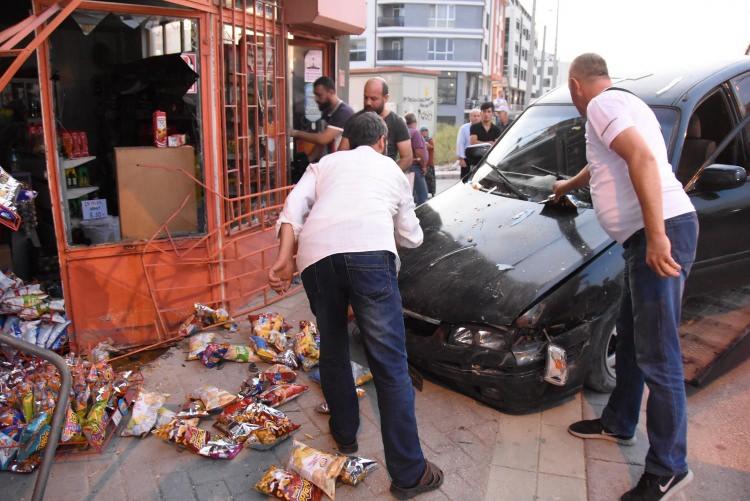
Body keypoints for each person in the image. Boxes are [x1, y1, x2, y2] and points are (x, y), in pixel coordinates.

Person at [267, 111, 443, 500]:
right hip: (369, 257)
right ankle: (409, 474)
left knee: (332, 347)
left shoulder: (324, 164)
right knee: (390, 364)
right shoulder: (391, 169)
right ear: (382, 141)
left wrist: (283, 258)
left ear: (345, 141)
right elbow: (411, 237)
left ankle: (345, 437)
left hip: (316, 257)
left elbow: (291, 211)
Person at [554, 53, 697, 501]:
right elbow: (608, 164)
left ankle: (670, 467)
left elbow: (640, 160)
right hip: (652, 234)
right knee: (634, 340)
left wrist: (656, 236)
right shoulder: (627, 104)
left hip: (660, 232)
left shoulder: (599, 106)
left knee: (659, 354)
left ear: (577, 85)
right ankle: (618, 422)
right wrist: (567, 186)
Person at [339, 77, 413, 171]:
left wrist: (389, 175)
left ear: (385, 98)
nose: (368, 102)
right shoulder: (354, 121)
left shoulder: (397, 123)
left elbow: (407, 158)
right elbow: (342, 152)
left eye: (373, 99)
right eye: (365, 97)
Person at [289, 76, 354, 156]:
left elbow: (323, 139)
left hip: (341, 163)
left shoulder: (343, 112)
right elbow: (320, 144)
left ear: (331, 92)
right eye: (315, 95)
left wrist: (295, 133)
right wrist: (309, 162)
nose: (316, 99)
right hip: (331, 162)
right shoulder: (327, 111)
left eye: (319, 95)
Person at [405, 113, 428, 205]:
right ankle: (421, 217)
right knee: (422, 195)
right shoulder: (415, 133)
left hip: (407, 165)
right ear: (415, 122)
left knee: (410, 195)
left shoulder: (404, 131)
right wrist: (423, 166)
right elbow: (418, 152)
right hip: (415, 166)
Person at [456, 108, 481, 179]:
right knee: (465, 179)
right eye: (474, 116)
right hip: (466, 158)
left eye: (478, 116)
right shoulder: (464, 128)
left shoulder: (483, 128)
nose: (476, 118)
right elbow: (460, 143)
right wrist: (461, 159)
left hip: (480, 158)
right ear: (470, 117)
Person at [420, 126, 436, 197]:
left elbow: (431, 147)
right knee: (423, 179)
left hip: (429, 163)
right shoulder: (419, 139)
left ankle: (432, 192)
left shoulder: (429, 139)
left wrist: (426, 144)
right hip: (422, 163)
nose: (424, 132)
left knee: (430, 179)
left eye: (425, 131)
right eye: (423, 131)